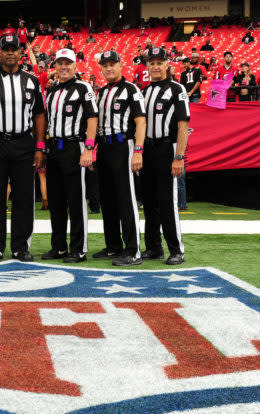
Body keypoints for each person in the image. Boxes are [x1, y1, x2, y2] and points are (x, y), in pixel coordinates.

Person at [0, 34, 46, 263]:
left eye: (15, 48)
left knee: (24, 196)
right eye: (7, 49)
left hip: (24, 142)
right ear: (0, 52)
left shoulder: (31, 80)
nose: (11, 52)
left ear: (21, 52)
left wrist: (40, 146)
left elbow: (39, 114)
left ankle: (21, 247)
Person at [39, 48, 98, 263]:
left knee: (76, 201)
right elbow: (47, 122)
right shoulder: (52, 91)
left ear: (75, 66)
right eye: (60, 63)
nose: (64, 67)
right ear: (55, 66)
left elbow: (92, 118)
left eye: (68, 63)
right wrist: (44, 148)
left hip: (75, 147)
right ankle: (59, 247)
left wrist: (89, 148)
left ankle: (78, 249)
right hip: (55, 148)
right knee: (56, 201)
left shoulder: (84, 88)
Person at [93, 49, 146, 266]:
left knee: (126, 199)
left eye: (112, 64)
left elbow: (141, 121)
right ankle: (114, 246)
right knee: (108, 199)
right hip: (105, 148)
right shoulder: (102, 92)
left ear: (120, 65)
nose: (108, 68)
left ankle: (133, 250)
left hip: (124, 146)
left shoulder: (131, 89)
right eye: (104, 65)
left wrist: (138, 151)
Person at [140, 49, 190, 265]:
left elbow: (183, 125)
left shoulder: (177, 89)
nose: (156, 67)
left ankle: (176, 249)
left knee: (167, 202)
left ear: (168, 64)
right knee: (149, 201)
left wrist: (179, 156)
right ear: (147, 67)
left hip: (166, 149)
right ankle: (153, 247)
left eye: (160, 62)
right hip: (147, 151)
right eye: (152, 63)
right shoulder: (143, 91)